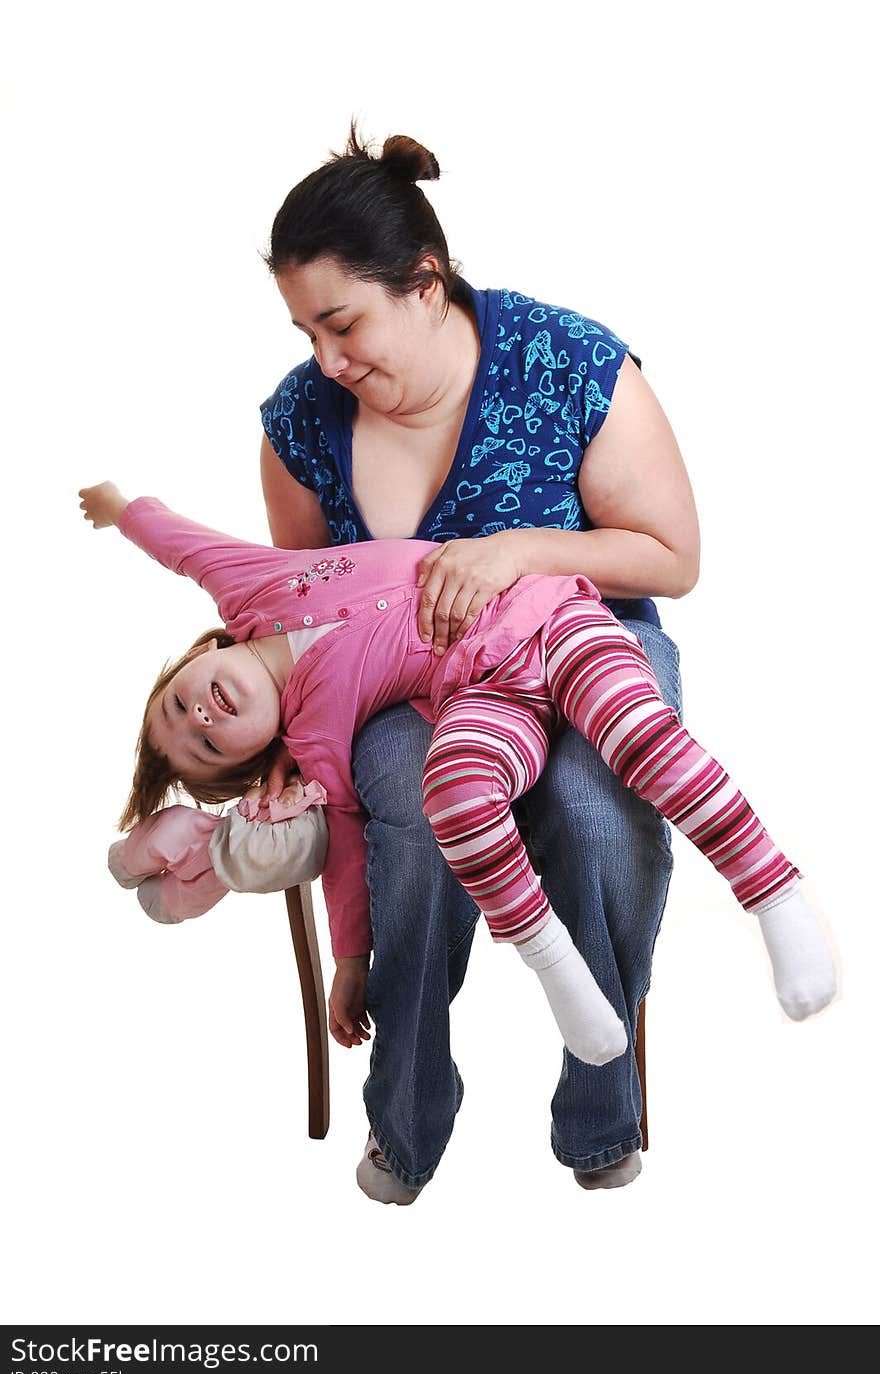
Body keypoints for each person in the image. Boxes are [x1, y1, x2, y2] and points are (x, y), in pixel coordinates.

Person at [79, 484, 837, 1172]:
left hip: (548, 618)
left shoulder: (249, 586)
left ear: (200, 654)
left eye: (182, 704)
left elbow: (179, 541)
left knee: (635, 732)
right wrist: (352, 963)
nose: (203, 717)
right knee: (454, 790)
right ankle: (560, 972)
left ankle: (773, 896)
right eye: (207, 745)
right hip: (484, 690)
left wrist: (118, 509)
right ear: (256, 756)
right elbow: (346, 853)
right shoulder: (316, 738)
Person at [254, 126, 701, 1200]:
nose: (327, 359)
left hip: (584, 642)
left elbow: (673, 557)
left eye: (344, 322)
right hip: (412, 679)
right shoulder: (300, 422)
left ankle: (602, 1110)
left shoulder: (567, 362)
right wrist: (285, 741)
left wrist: (517, 552)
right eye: (307, 329)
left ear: (424, 282)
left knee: (597, 816)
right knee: (409, 818)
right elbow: (302, 612)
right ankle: (406, 1120)